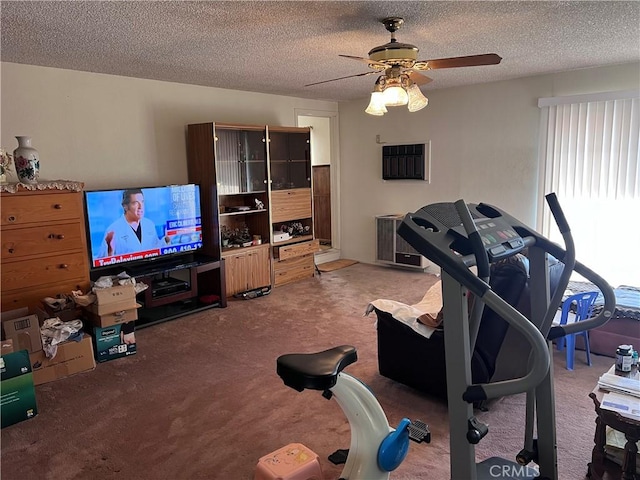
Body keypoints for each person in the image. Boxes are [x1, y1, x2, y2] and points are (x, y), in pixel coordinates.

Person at [98, 188, 169, 257]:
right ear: (125, 206)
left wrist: (167, 239)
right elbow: (102, 261)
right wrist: (110, 253)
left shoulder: (149, 224)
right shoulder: (113, 230)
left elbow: (155, 249)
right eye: (135, 203)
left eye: (142, 202)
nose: (140, 207)